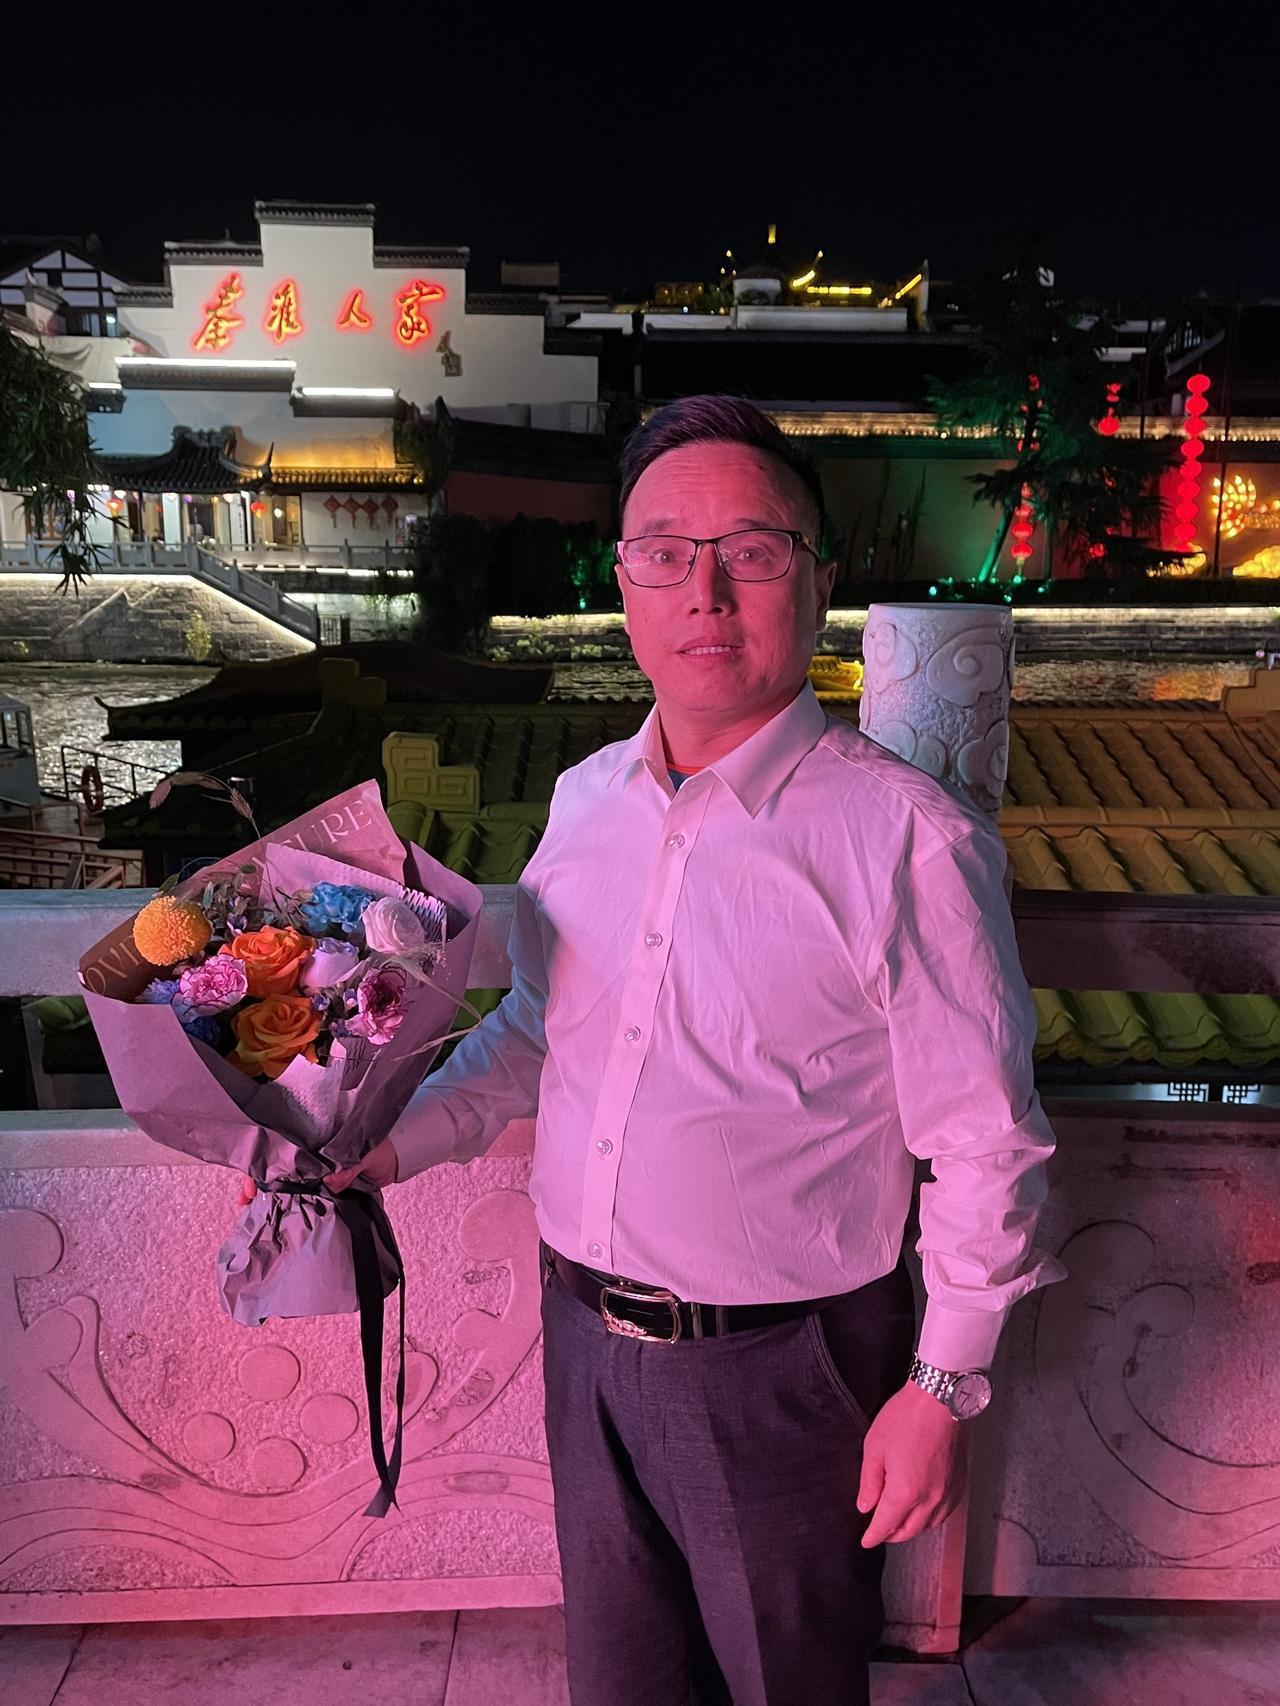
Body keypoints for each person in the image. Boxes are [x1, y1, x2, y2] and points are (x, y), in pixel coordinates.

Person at [320, 396, 1067, 1705]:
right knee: (622, 1682)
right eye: (664, 552)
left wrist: (942, 1387)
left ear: (819, 583)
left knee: (787, 1682)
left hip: (788, 1369)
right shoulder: (585, 804)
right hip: (583, 1339)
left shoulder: (907, 839)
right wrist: (383, 1144)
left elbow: (987, 1141)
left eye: (752, 552)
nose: (704, 591)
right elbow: (535, 1032)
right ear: (625, 585)